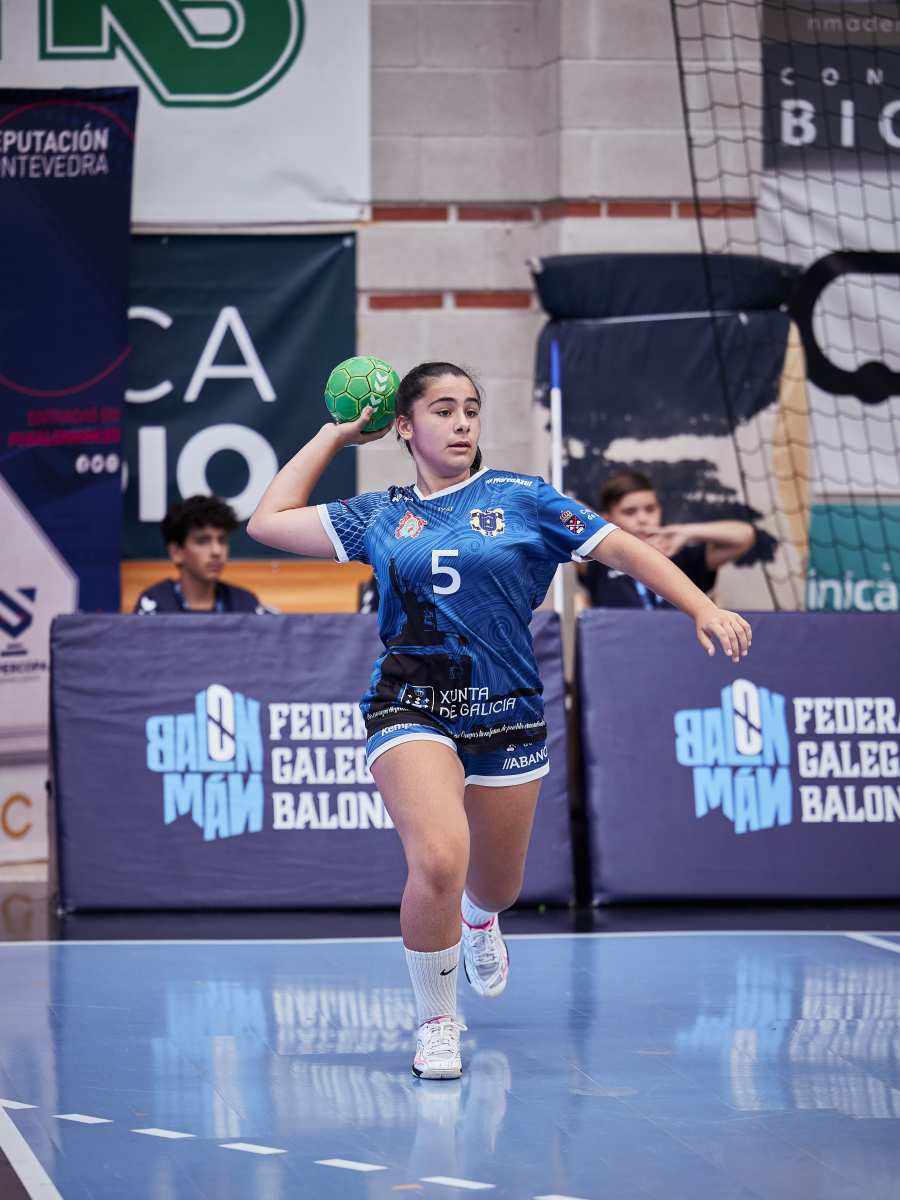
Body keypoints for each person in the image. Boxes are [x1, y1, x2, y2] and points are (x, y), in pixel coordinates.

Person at [247, 361, 751, 1080]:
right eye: (443, 410)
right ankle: (437, 1023)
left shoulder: (523, 498)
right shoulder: (379, 514)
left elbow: (620, 546)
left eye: (471, 409)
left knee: (496, 886)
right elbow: (266, 522)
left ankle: (481, 920)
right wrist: (336, 434)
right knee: (438, 857)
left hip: (506, 710)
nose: (462, 423)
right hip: (410, 702)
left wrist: (700, 604)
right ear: (404, 425)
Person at [579, 469, 756, 609]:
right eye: (630, 512)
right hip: (618, 642)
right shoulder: (599, 557)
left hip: (678, 641)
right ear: (607, 517)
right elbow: (567, 513)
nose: (643, 518)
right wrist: (602, 528)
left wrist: (686, 532)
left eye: (650, 509)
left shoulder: (680, 554)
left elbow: (745, 535)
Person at [134, 494, 268, 615]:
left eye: (222, 540)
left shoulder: (245, 604)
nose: (216, 551)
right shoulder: (155, 604)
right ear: (176, 552)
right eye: (202, 541)